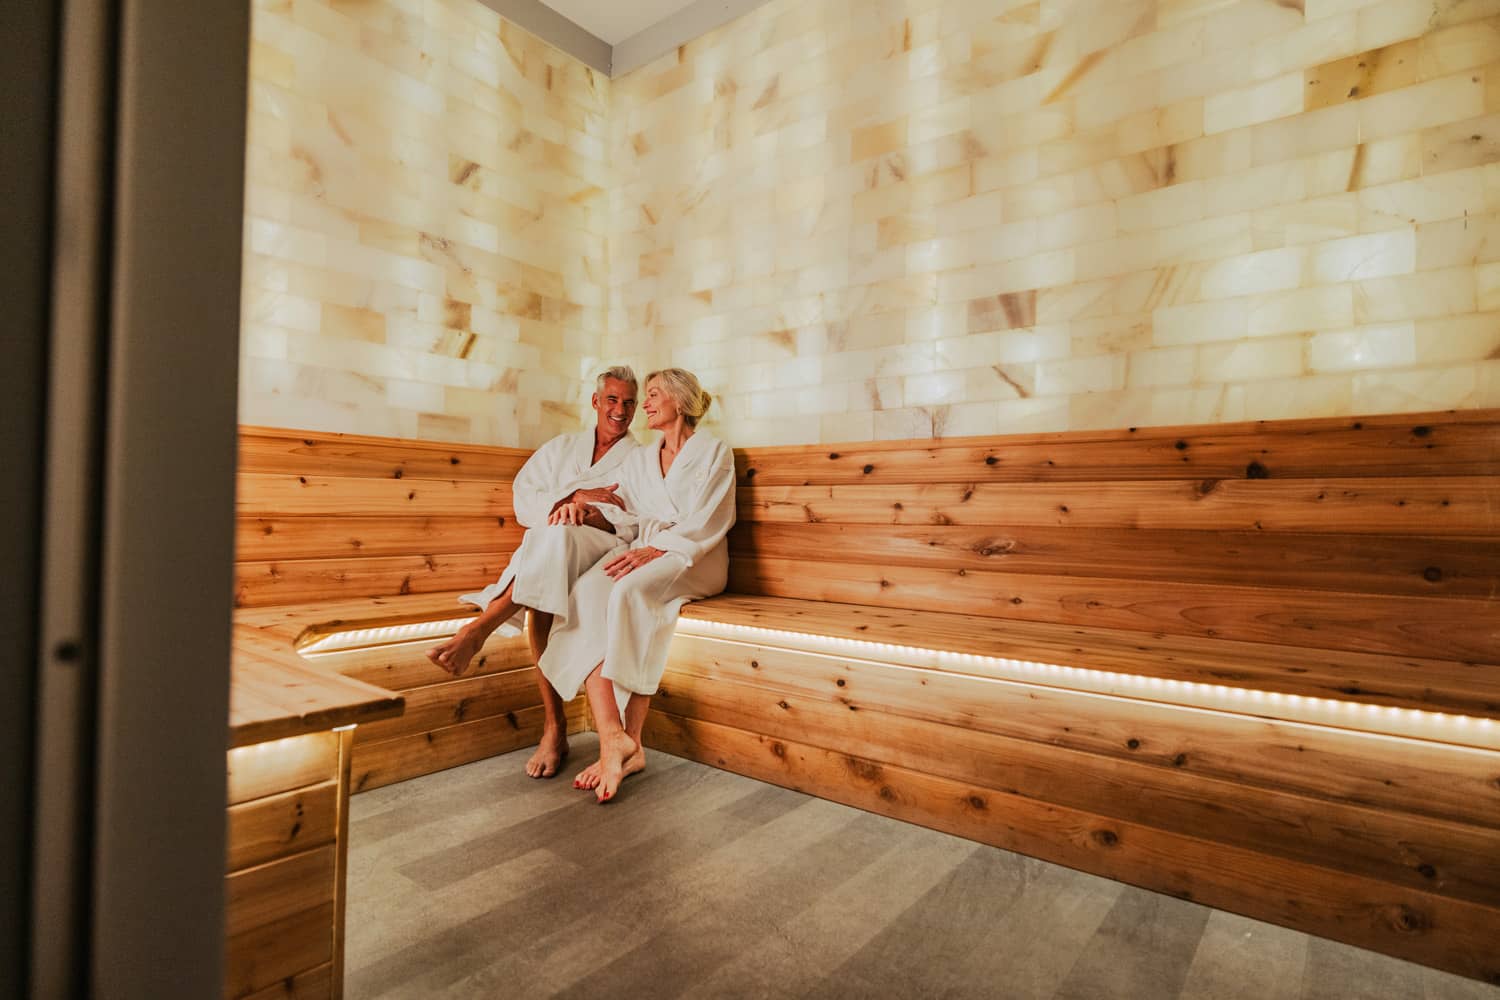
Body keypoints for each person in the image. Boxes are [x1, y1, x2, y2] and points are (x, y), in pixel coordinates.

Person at [425, 366, 640, 779]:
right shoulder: (561, 449)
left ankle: (483, 628)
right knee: (552, 544)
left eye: (629, 402)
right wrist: (569, 498)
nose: (620, 410)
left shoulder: (639, 458)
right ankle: (554, 725)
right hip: (554, 546)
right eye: (612, 399)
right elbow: (524, 499)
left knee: (552, 543)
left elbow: (637, 518)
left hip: (605, 546)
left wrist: (593, 514)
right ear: (596, 402)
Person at [539, 368, 736, 803]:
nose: (643, 406)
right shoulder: (643, 458)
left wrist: (660, 548)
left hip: (695, 557)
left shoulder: (714, 452)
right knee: (585, 594)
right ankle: (615, 739)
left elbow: (712, 521)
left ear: (680, 401)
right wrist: (585, 505)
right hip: (647, 550)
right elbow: (621, 508)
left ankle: (631, 739)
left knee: (629, 593)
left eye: (652, 396)